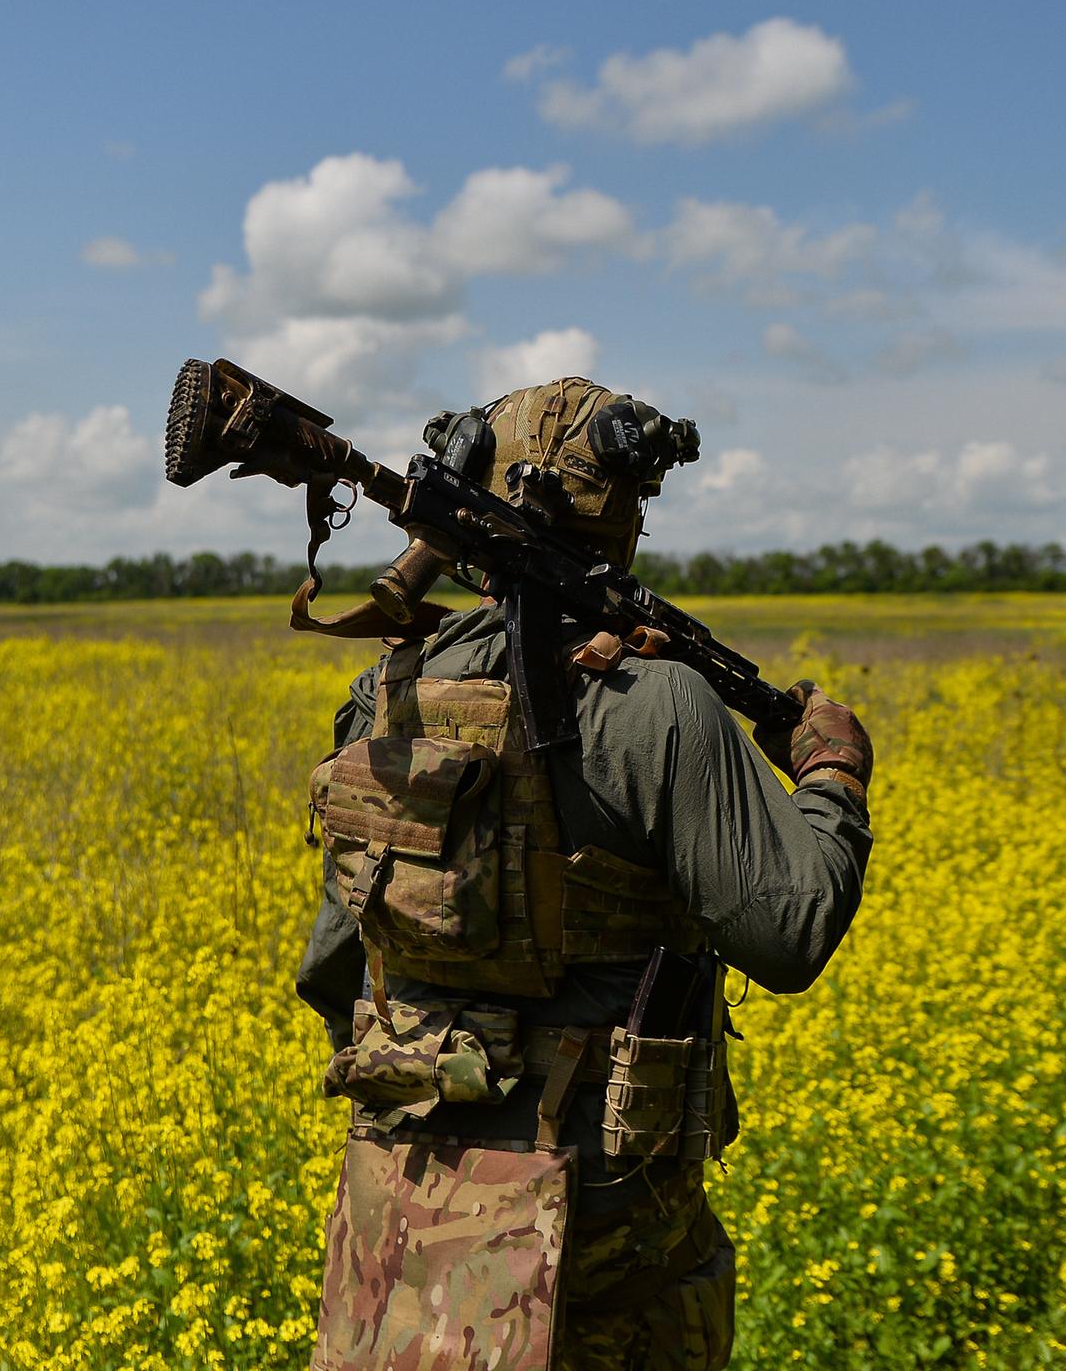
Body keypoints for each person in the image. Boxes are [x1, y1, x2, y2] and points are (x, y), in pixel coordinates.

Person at [297, 377, 872, 1370]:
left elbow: (334, 968)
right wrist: (831, 773)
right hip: (598, 1227)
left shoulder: (383, 692)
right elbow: (791, 932)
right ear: (623, 518)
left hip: (402, 1202)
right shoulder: (663, 706)